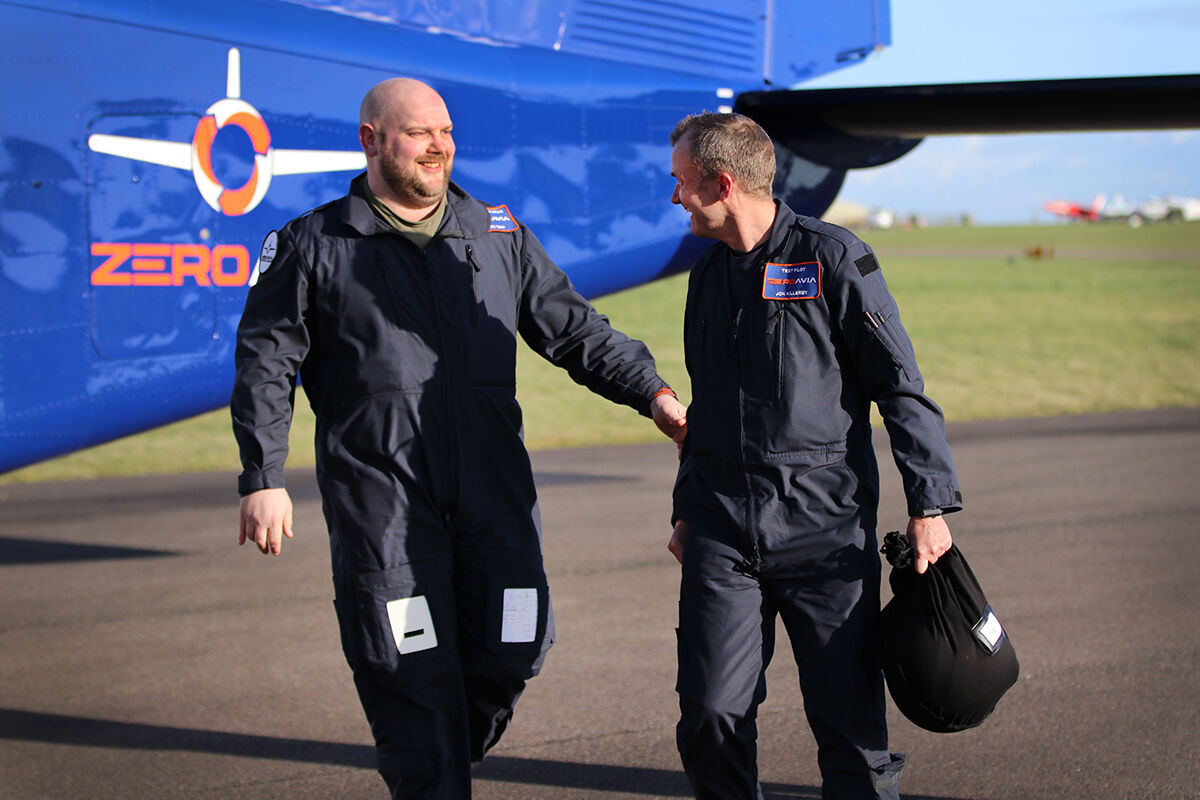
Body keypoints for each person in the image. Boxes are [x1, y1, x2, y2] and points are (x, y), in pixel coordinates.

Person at [230, 77, 688, 799]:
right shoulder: (314, 244)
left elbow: (574, 330)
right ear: (371, 140)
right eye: (418, 133)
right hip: (386, 509)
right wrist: (263, 476)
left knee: (513, 646)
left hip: (492, 501)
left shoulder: (494, 232)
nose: (438, 145)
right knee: (409, 678)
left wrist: (654, 396)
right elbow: (266, 364)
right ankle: (432, 772)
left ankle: (441, 758)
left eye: (444, 131)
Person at [665, 112, 962, 800]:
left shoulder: (833, 257)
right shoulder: (706, 276)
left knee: (852, 738)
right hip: (722, 533)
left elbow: (899, 386)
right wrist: (687, 511)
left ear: (722, 183)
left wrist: (931, 504)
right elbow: (708, 410)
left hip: (823, 536)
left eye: (681, 183)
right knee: (711, 715)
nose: (674, 197)